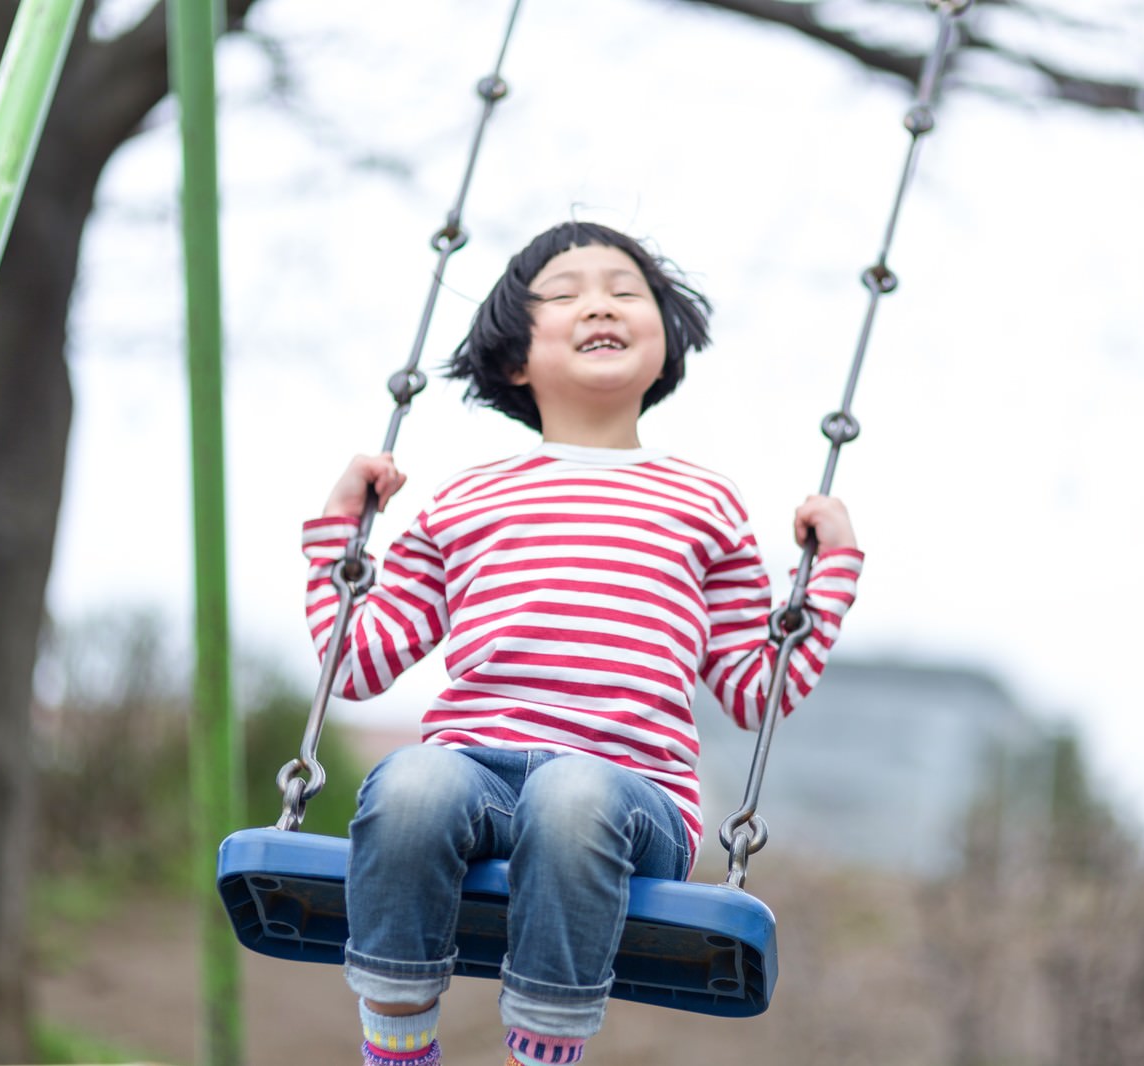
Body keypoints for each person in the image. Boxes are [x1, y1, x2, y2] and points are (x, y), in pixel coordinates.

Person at [303, 221, 864, 1066]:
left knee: (571, 794)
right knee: (412, 783)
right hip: (474, 777)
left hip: (632, 799)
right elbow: (357, 665)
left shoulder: (705, 504)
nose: (599, 302)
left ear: (665, 343)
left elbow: (759, 692)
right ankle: (397, 1044)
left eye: (625, 291)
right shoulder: (465, 501)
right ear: (515, 359)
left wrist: (830, 573)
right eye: (565, 295)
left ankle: (542, 1054)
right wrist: (339, 533)